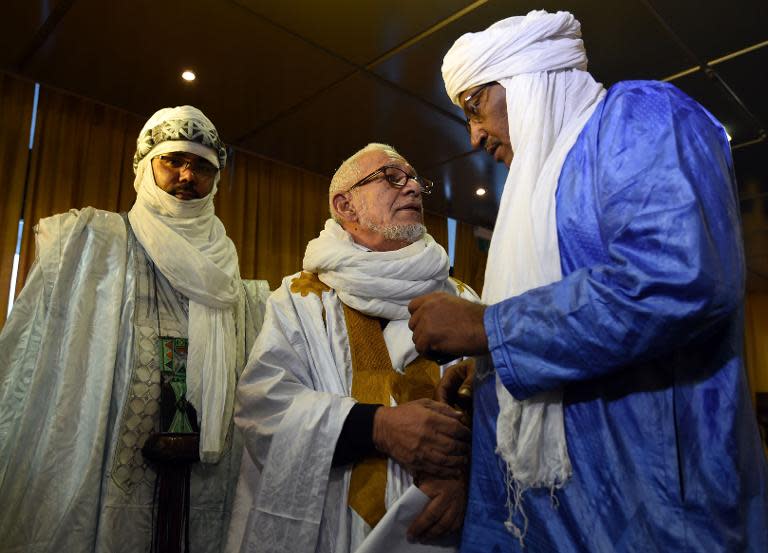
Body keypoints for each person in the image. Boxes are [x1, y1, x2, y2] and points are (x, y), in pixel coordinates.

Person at [407, 10, 768, 552]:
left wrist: (491, 330)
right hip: (540, 525)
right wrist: (488, 380)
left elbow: (677, 280)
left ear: (526, 76)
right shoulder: (532, 194)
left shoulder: (639, 120)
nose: (475, 136)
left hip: (651, 519)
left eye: (475, 106)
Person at [0, 106, 269, 553]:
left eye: (202, 166)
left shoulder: (232, 276)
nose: (187, 175)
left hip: (203, 476)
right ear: (146, 167)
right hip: (110, 467)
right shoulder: (96, 243)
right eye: (173, 160)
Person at [228, 143, 477, 553]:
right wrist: (377, 426)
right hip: (331, 530)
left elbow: (504, 412)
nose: (413, 187)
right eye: (393, 177)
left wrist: (467, 476)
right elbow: (263, 407)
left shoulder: (463, 301)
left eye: (415, 179)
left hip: (444, 527)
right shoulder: (301, 298)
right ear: (345, 206)